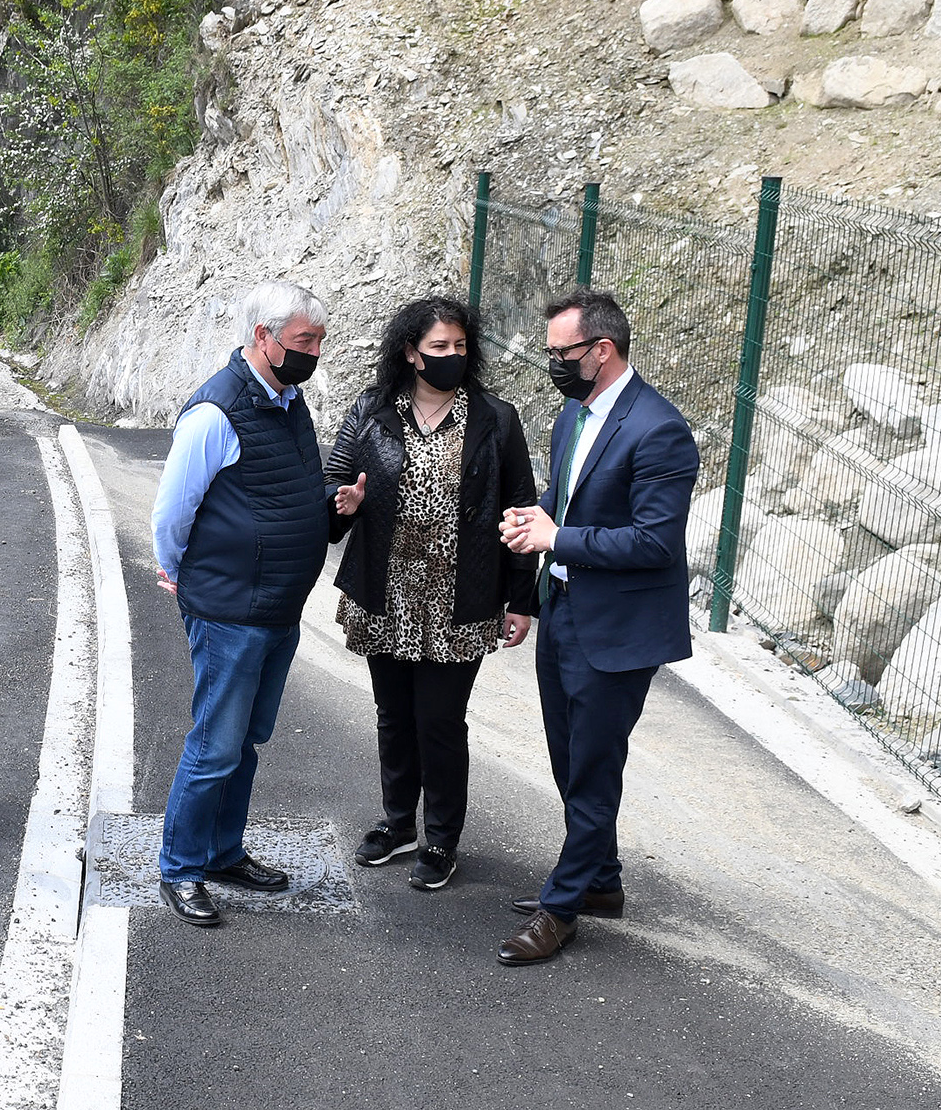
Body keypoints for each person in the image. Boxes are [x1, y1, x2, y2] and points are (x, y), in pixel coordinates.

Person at [496, 289, 698, 965]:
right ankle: (601, 881)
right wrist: (531, 535)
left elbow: (654, 541)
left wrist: (560, 535)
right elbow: (558, 504)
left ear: (601, 351)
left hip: (618, 630)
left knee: (592, 766)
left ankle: (561, 907)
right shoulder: (572, 416)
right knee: (568, 757)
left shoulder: (658, 429)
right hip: (563, 614)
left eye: (562, 353)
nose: (552, 362)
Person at [325, 295, 538, 892]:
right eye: (438, 347)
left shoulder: (496, 419)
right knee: (393, 716)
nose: (450, 356)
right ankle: (398, 823)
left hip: (459, 598)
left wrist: (521, 600)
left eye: (460, 347)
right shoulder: (372, 411)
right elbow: (334, 485)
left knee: (440, 721)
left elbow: (522, 513)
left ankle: (441, 836)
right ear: (410, 353)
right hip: (385, 595)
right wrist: (341, 507)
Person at [150, 281, 335, 928]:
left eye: (317, 340)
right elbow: (172, 511)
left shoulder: (288, 401)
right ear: (263, 337)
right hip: (230, 609)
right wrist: (177, 571)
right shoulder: (215, 412)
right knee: (215, 743)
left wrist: (331, 509)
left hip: (276, 606)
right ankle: (180, 866)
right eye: (303, 341)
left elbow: (283, 493)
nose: (314, 353)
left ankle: (223, 851)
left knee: (246, 742)